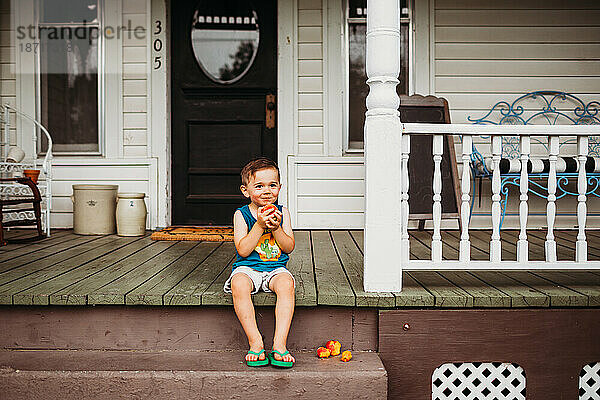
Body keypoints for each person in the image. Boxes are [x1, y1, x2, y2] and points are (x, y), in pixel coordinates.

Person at [223, 157, 296, 368]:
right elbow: (243, 250)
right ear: (246, 190)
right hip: (248, 268)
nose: (266, 191)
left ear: (280, 187)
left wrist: (275, 228)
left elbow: (288, 246)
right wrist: (258, 226)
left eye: (272, 185)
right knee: (239, 284)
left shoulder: (283, 212)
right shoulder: (242, 214)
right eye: (259, 186)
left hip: (275, 268)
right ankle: (255, 342)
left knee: (286, 284)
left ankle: (279, 344)